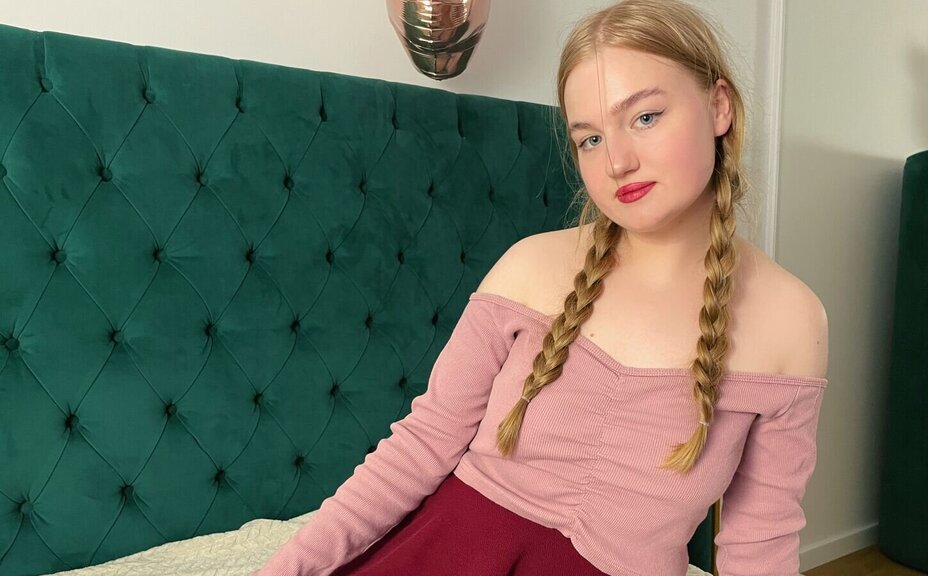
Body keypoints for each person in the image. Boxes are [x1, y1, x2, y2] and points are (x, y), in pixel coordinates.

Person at [256, 0, 828, 574]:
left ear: (719, 105)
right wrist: (288, 568)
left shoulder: (792, 321)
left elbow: (761, 542)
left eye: (646, 117)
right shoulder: (529, 267)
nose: (618, 162)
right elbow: (422, 444)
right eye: (590, 139)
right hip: (448, 553)